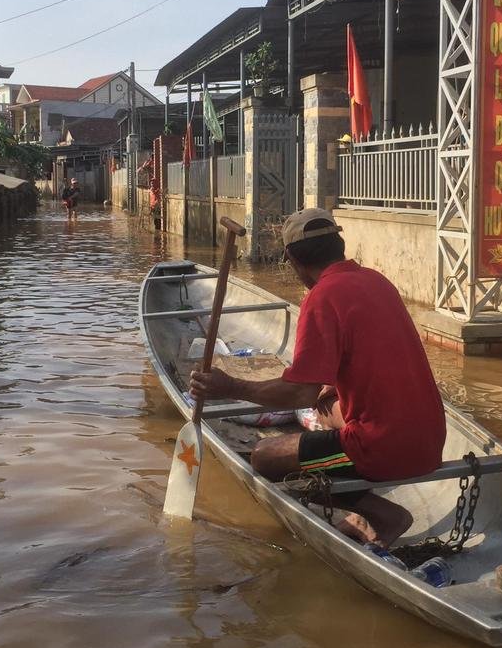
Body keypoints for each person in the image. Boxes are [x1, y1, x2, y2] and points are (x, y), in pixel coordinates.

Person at [190, 208, 445, 548]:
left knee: (265, 456)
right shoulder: (376, 281)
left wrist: (231, 386)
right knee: (326, 407)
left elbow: (298, 394)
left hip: (385, 449)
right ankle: (358, 507)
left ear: (293, 259)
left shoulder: (322, 298)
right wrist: (329, 387)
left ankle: (382, 513)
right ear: (338, 246)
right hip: (431, 439)